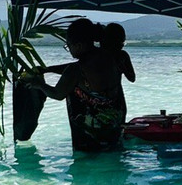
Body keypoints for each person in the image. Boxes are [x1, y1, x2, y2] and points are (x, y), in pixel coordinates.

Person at [32, 18, 127, 151]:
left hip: (90, 136)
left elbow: (57, 94)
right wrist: (48, 69)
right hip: (114, 126)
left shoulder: (77, 70)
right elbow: (71, 70)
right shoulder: (110, 57)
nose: (69, 49)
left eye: (68, 46)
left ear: (79, 45)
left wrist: (38, 84)